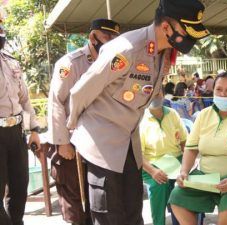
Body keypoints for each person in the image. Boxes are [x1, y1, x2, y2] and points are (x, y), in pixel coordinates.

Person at [66, 0, 210, 224]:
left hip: (128, 142)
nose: (189, 38)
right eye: (186, 31)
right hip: (101, 141)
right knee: (108, 215)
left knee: (133, 213)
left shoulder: (162, 53)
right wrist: (73, 126)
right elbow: (81, 92)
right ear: (166, 27)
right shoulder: (126, 49)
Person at [47, 19, 120, 225]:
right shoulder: (71, 63)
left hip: (100, 144)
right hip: (73, 144)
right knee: (77, 207)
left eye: (114, 38)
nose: (111, 42)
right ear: (92, 37)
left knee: (100, 204)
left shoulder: (113, 63)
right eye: (106, 37)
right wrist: (62, 142)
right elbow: (56, 102)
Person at [169, 72, 227, 225]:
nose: (223, 94)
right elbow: (191, 148)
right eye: (218, 89)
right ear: (212, 91)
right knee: (177, 197)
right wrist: (184, 172)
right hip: (206, 177)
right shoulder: (203, 115)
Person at [0, 13, 41, 225]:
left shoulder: (11, 62)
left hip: (16, 133)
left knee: (20, 186)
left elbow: (25, 99)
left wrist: (34, 130)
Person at [140, 92, 187, 225]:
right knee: (160, 185)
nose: (155, 95)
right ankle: (158, 222)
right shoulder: (140, 118)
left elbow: (185, 142)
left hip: (176, 161)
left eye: (158, 92)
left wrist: (188, 166)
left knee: (185, 184)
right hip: (151, 164)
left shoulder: (172, 114)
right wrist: (153, 171)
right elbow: (138, 154)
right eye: (150, 92)